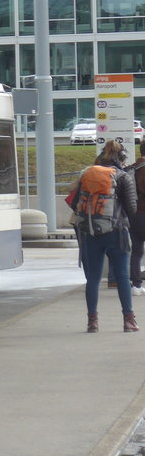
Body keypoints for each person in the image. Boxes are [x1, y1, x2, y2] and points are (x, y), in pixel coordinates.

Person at [71, 140, 138, 333]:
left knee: (92, 278)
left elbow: (74, 203)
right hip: (117, 232)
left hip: (90, 232)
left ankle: (92, 322)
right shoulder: (123, 177)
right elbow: (132, 209)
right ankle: (129, 320)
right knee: (123, 276)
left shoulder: (87, 174)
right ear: (122, 158)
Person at [130, 140, 145, 297]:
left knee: (136, 250)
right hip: (144, 211)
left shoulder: (133, 167)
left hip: (133, 213)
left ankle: (136, 285)